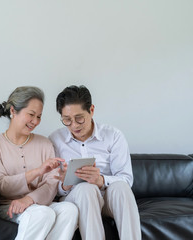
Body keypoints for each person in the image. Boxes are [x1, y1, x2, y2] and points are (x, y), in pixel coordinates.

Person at [0, 86, 78, 240]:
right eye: (31, 115)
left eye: (39, 116)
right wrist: (37, 172)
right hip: (8, 206)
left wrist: (29, 199)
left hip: (38, 203)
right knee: (42, 213)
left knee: (69, 209)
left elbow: (51, 184)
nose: (35, 121)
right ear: (13, 111)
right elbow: (1, 186)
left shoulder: (45, 143)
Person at [49, 85, 141, 240]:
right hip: (76, 197)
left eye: (79, 118)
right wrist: (65, 184)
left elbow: (126, 179)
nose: (74, 125)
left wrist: (101, 180)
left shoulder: (113, 136)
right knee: (86, 189)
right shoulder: (55, 140)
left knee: (121, 188)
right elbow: (52, 188)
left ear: (91, 110)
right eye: (67, 120)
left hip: (107, 198)